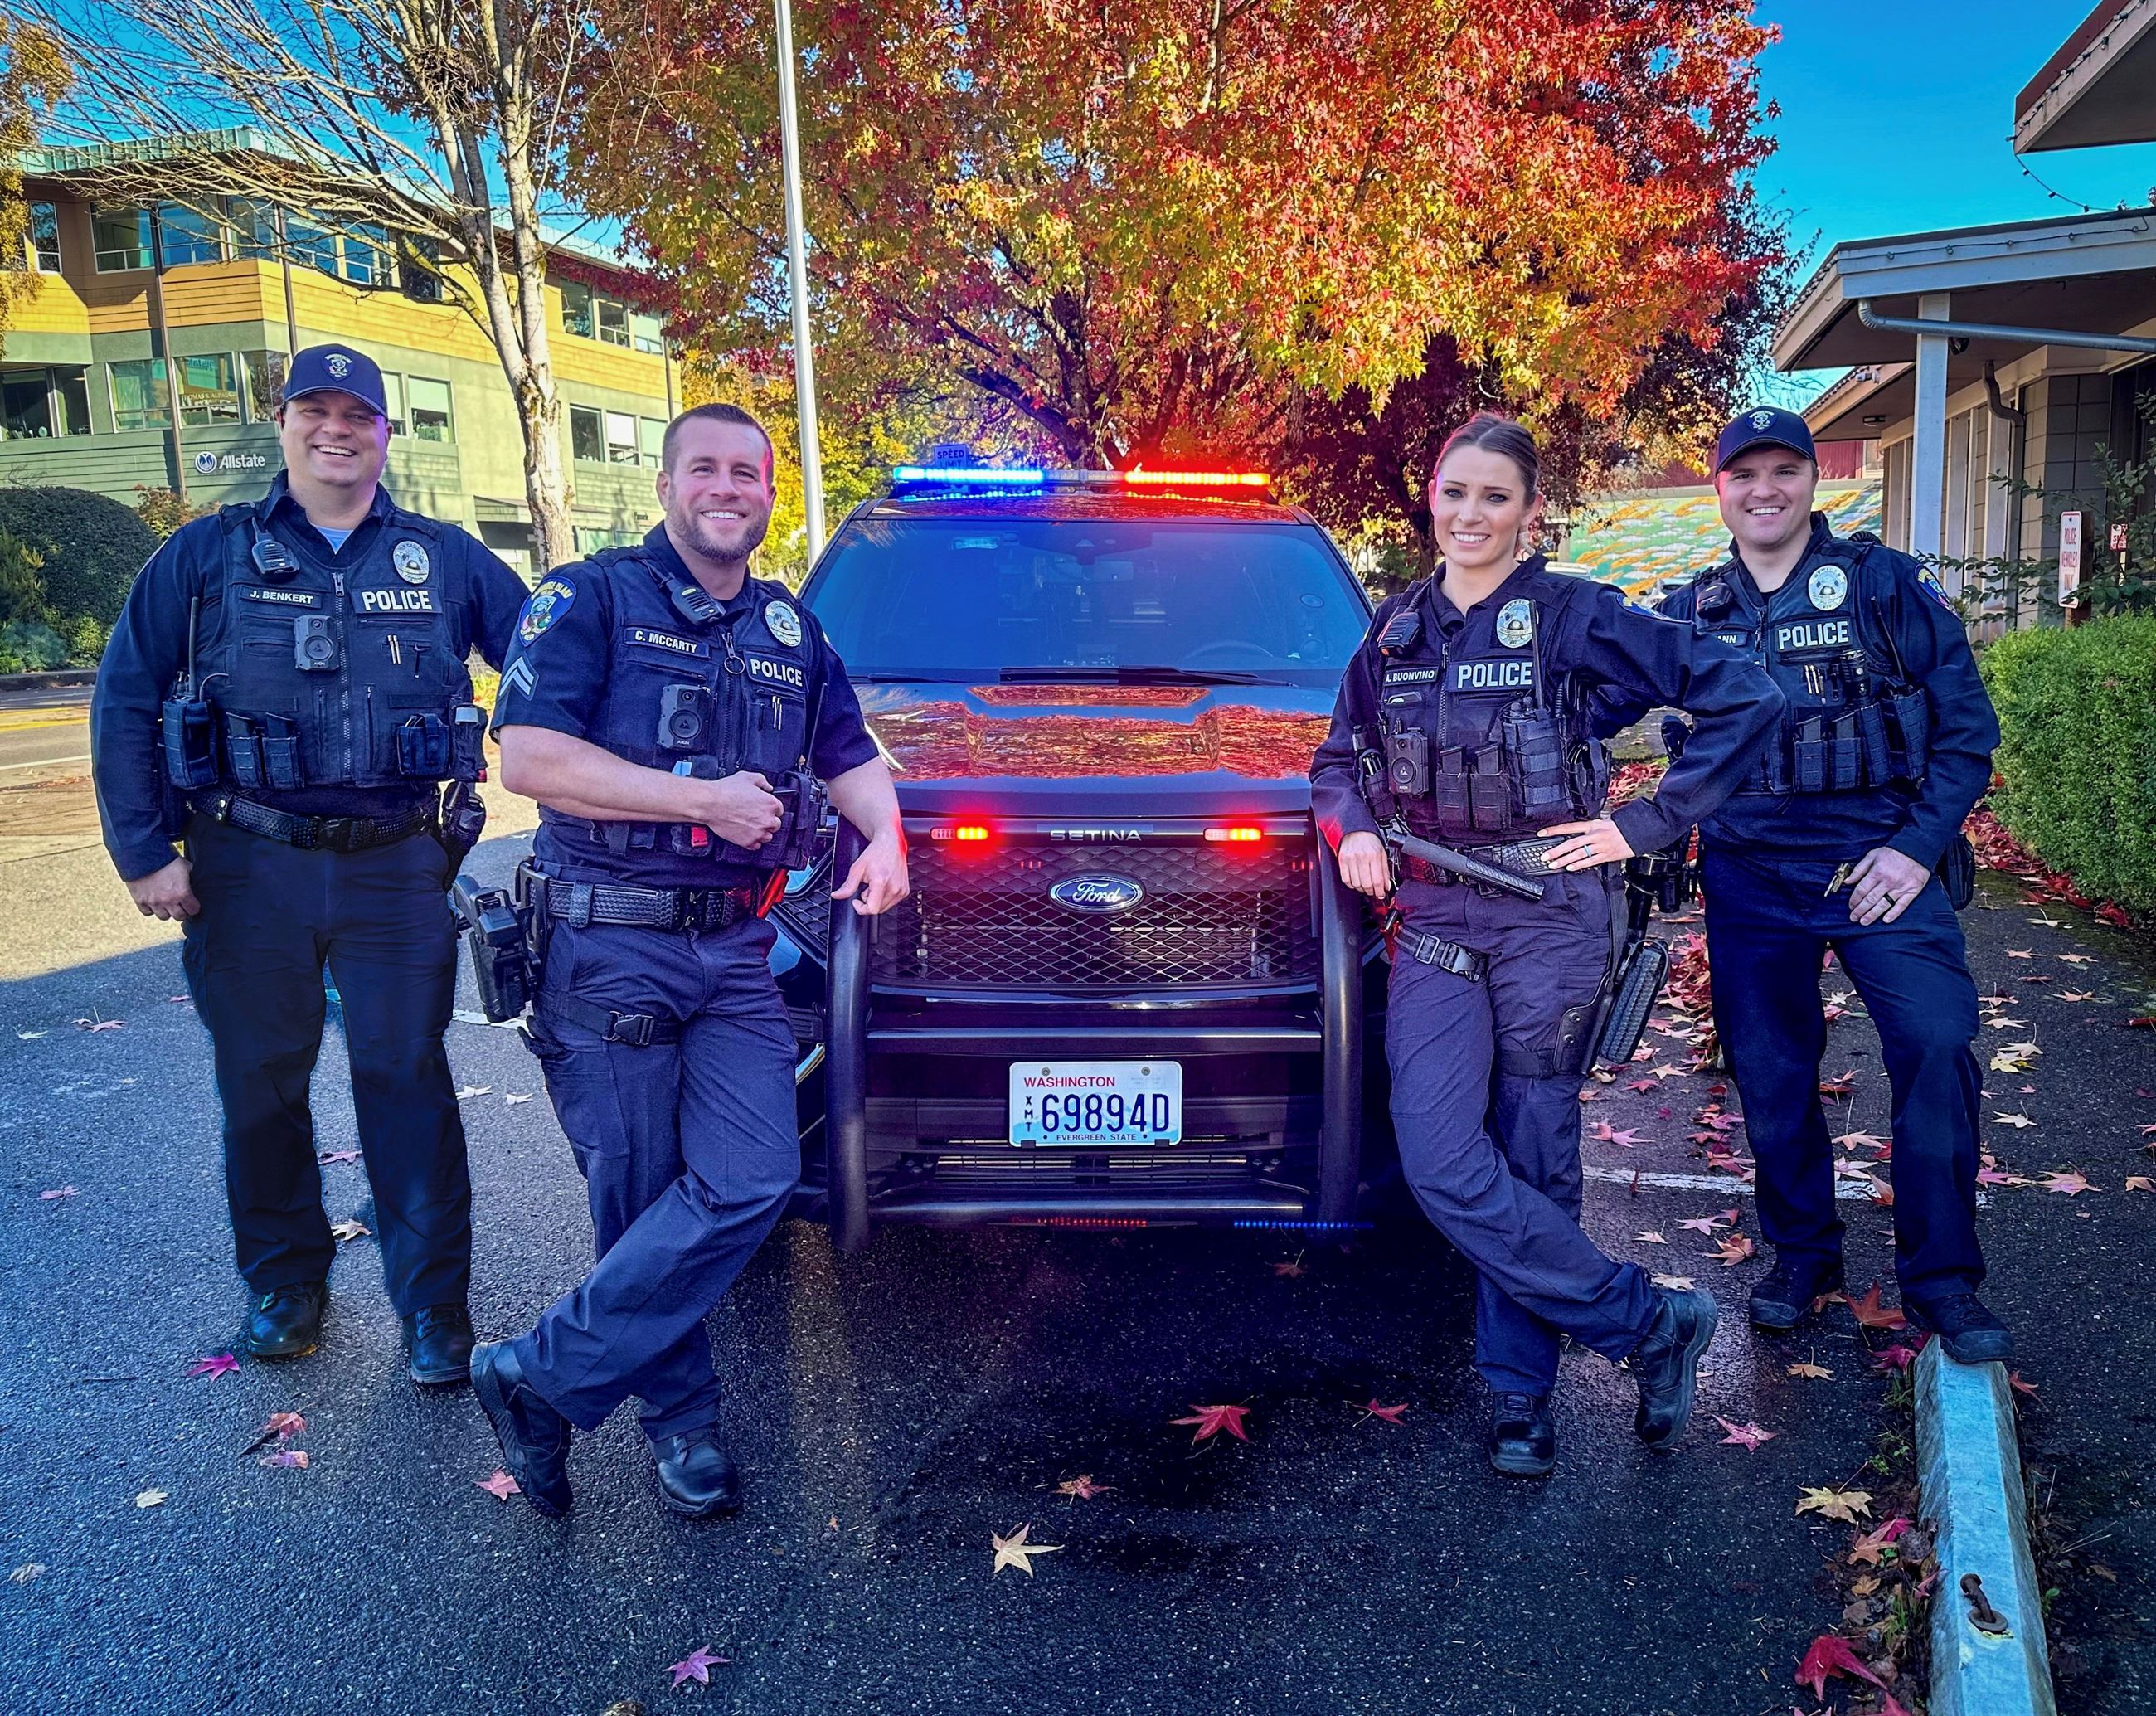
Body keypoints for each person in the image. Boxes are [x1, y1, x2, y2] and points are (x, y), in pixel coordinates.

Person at [1309, 412, 1783, 1477]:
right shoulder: (1390, 632)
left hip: (1548, 914)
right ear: (1428, 498)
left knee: (1531, 1149)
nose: (1468, 514)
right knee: (1436, 1157)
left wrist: (1646, 821)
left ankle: (1520, 1398)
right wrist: (1349, 834)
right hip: (1432, 920)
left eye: (1493, 496)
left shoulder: (1573, 617)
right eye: (1453, 491)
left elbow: (1741, 695)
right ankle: (1647, 1324)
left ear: (1529, 513)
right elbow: (1334, 762)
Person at [469, 402, 907, 1519]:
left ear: (769, 494)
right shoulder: (589, 597)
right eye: (705, 468)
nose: (729, 487)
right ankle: (684, 1430)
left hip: (731, 952)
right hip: (606, 942)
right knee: (638, 1194)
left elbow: (849, 750)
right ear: (666, 484)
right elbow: (530, 758)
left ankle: (537, 1376)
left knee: (753, 1178)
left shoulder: (786, 628)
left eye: (749, 474)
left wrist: (889, 835)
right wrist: (700, 799)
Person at [90, 343, 530, 1383]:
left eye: (358, 415)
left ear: (386, 433)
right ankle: (284, 1284)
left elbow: (548, 663)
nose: (337, 429)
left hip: (395, 863)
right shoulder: (203, 558)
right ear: (282, 422)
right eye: (315, 410)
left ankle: (434, 1309)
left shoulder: (447, 559)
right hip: (247, 862)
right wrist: (145, 853)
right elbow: (123, 701)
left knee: (405, 1080)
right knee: (260, 1086)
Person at [1635, 407, 2007, 1364]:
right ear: (1718, 488)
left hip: (1878, 865)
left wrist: (1916, 850)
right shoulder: (1690, 609)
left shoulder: (1882, 587)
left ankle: (1941, 1282)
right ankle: (1802, 1254)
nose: (1763, 489)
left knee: (1934, 1043)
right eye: (1743, 473)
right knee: (1769, 1072)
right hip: (1749, 876)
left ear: (1811, 481)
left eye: (1782, 471)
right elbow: (1595, 688)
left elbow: (1966, 732)